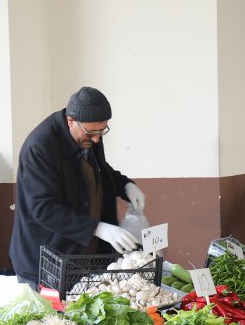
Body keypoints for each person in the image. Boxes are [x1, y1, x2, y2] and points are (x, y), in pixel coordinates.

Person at [9, 86, 147, 288]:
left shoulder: (88, 135)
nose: (97, 139)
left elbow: (98, 168)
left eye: (102, 131)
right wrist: (97, 228)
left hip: (81, 258)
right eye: (91, 133)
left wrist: (124, 185)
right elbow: (43, 209)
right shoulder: (40, 147)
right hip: (44, 261)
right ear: (71, 121)